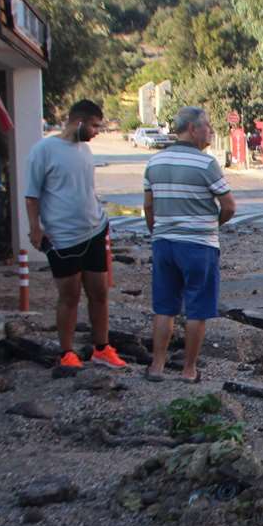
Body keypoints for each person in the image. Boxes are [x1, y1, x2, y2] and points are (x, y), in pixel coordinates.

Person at [24, 99, 127, 370]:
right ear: (79, 122)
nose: (97, 132)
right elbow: (32, 196)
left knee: (100, 292)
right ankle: (67, 353)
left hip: (94, 231)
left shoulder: (85, 150)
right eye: (94, 126)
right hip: (62, 238)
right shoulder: (43, 150)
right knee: (69, 296)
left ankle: (102, 349)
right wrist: (35, 228)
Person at [143, 107, 236, 382]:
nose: (211, 131)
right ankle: (188, 369)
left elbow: (148, 205)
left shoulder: (155, 161)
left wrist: (157, 232)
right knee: (197, 308)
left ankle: (157, 366)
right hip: (198, 245)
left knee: (164, 307)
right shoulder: (206, 164)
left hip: (164, 244)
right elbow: (229, 206)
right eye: (207, 126)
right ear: (193, 129)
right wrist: (212, 225)